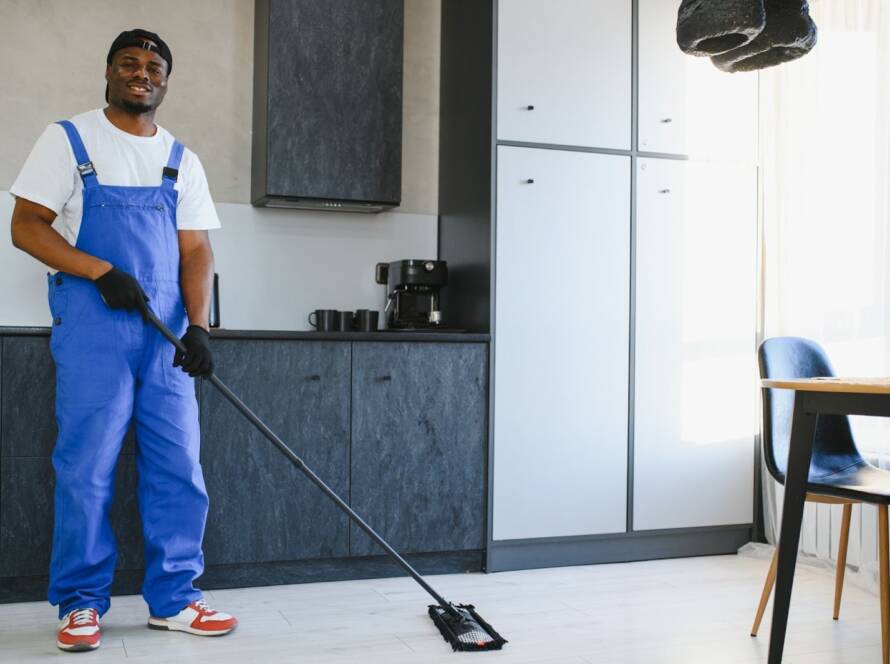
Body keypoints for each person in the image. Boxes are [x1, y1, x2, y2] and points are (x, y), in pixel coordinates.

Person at [8, 29, 237, 652]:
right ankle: (80, 603)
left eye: (154, 66)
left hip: (165, 337)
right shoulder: (69, 139)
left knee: (178, 465)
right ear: (109, 71)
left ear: (165, 80)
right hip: (93, 329)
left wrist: (198, 326)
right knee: (86, 467)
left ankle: (177, 598)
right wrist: (99, 271)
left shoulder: (182, 159)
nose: (142, 73)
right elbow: (26, 226)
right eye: (129, 63)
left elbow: (196, 249)